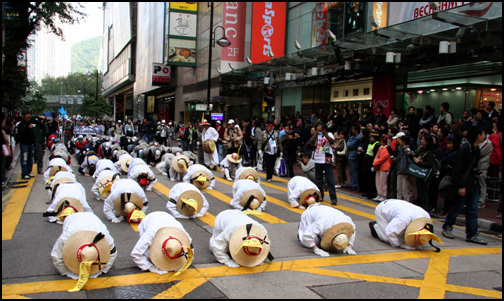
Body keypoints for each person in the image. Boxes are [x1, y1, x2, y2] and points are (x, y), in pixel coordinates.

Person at [442, 125, 488, 245]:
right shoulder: (465, 149)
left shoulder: (476, 149)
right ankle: (447, 226)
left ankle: (472, 234)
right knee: (457, 207)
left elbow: (472, 167)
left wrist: (476, 173)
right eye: (483, 134)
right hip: (463, 184)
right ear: (478, 135)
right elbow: (458, 169)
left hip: (473, 183)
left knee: (473, 210)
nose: (485, 136)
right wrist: (460, 186)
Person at [51, 212, 117, 287]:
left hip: (92, 217)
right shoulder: (66, 236)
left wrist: (102, 270)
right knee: (60, 249)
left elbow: (113, 253)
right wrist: (68, 272)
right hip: (71, 219)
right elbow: (55, 256)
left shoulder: (105, 238)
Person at [369, 199, 442, 251]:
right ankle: (376, 227)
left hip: (398, 208)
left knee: (401, 234)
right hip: (383, 208)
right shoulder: (404, 219)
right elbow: (390, 232)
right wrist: (401, 244)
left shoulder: (426, 218)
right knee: (387, 238)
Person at [411, 133, 435, 212]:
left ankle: (426, 208)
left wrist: (419, 162)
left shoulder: (429, 153)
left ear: (427, 142)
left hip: (425, 174)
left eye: (423, 139)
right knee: (419, 190)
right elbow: (416, 157)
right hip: (419, 173)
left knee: (423, 191)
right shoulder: (421, 149)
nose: (421, 141)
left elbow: (429, 164)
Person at [372, 134, 392, 202]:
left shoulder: (388, 148)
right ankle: (379, 194)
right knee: (378, 181)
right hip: (378, 167)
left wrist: (375, 162)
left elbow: (384, 158)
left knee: (383, 182)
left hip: (384, 167)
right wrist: (375, 162)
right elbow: (377, 155)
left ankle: (384, 195)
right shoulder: (380, 147)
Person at [17, 111, 36, 179]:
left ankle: (28, 171)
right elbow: (21, 133)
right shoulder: (21, 125)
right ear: (24, 117)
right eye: (27, 117)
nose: (28, 119)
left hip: (30, 143)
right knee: (24, 159)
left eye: (29, 117)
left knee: (30, 159)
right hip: (24, 143)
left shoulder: (31, 123)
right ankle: (24, 173)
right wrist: (28, 128)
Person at [476, 132, 493, 209]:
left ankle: (481, 202)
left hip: (483, 165)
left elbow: (480, 153)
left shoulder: (488, 143)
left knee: (482, 183)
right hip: (478, 165)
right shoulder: (481, 142)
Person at [395, 132, 413, 202]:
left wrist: (408, 173)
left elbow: (410, 162)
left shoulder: (408, 151)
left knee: (405, 191)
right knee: (399, 190)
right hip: (399, 171)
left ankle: (407, 204)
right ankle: (398, 203)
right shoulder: (400, 149)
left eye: (399, 140)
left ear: (404, 141)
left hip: (405, 173)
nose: (398, 141)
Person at [346, 125, 362, 191]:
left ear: (356, 130)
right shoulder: (353, 137)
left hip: (354, 156)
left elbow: (350, 145)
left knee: (353, 171)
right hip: (350, 155)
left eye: (353, 129)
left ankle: (354, 185)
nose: (352, 130)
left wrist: (349, 143)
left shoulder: (358, 137)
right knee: (351, 171)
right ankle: (353, 183)